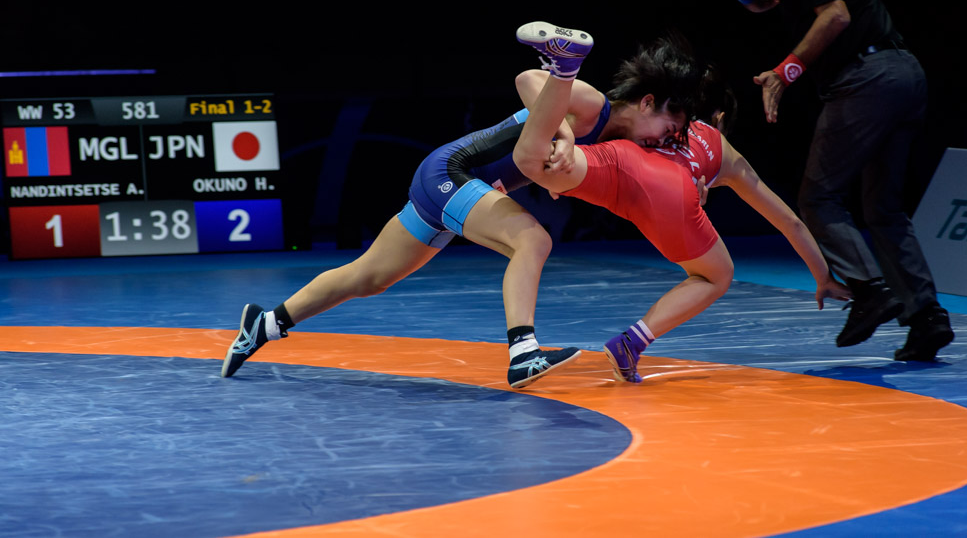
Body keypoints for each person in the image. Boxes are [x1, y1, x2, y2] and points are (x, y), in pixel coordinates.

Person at [220, 30, 691, 389]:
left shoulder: (615, 145)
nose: (663, 141)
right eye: (668, 128)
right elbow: (528, 78)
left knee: (369, 277)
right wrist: (563, 134)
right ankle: (523, 352)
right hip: (452, 173)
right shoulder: (595, 109)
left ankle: (264, 323)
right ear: (647, 102)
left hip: (457, 183)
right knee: (532, 240)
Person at [512, 21, 850, 383]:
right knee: (717, 275)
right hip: (669, 191)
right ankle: (630, 343)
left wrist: (563, 166)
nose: (670, 137)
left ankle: (563, 77)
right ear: (719, 119)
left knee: (536, 163)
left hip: (620, 161)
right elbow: (789, 222)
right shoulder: (725, 153)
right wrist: (823, 277)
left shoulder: (650, 125)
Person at [722, 0, 954, 361]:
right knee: (883, 208)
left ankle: (869, 291)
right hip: (901, 74)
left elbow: (836, 15)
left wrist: (785, 72)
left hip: (867, 80)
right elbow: (784, 4)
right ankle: (927, 317)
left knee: (819, 196)